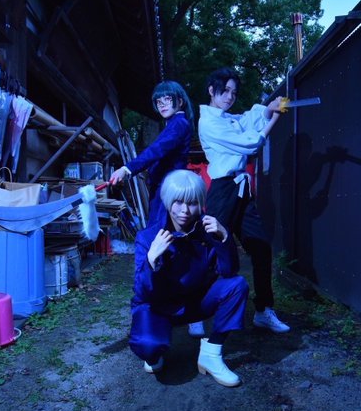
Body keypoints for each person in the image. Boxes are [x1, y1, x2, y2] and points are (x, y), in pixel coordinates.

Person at [129, 169, 249, 387]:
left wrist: (224, 238)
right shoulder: (148, 237)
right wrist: (151, 260)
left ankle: (211, 354)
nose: (185, 210)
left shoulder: (208, 231)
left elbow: (229, 272)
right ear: (168, 201)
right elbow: (142, 293)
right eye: (178, 202)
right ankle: (154, 351)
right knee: (148, 346)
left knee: (237, 285)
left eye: (192, 203)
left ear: (201, 203)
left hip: (195, 304)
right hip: (159, 307)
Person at [198, 66, 290, 333]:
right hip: (222, 191)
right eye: (225, 91)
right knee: (211, 252)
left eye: (234, 92)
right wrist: (275, 118)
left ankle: (263, 310)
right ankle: (196, 311)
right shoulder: (209, 122)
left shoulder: (229, 118)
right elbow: (250, 143)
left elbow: (249, 119)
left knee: (261, 247)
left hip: (242, 190)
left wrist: (269, 107)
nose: (230, 97)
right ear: (211, 91)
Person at [110, 80, 204, 337]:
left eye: (167, 99)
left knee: (175, 246)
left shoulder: (179, 124)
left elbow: (156, 150)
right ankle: (161, 304)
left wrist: (128, 168)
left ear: (179, 101)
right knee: (163, 247)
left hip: (171, 197)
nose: (162, 104)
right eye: (158, 101)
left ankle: (190, 312)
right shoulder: (172, 124)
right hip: (162, 195)